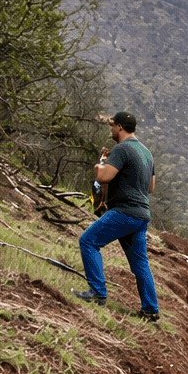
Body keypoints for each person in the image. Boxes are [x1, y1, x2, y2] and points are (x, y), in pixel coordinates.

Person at [75, 111, 160, 321]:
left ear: (120, 127)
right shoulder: (146, 153)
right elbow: (151, 187)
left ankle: (97, 293)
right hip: (142, 215)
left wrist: (99, 165)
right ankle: (150, 310)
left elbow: (103, 177)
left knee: (88, 241)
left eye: (112, 125)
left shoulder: (121, 149)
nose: (111, 129)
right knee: (140, 262)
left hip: (124, 212)